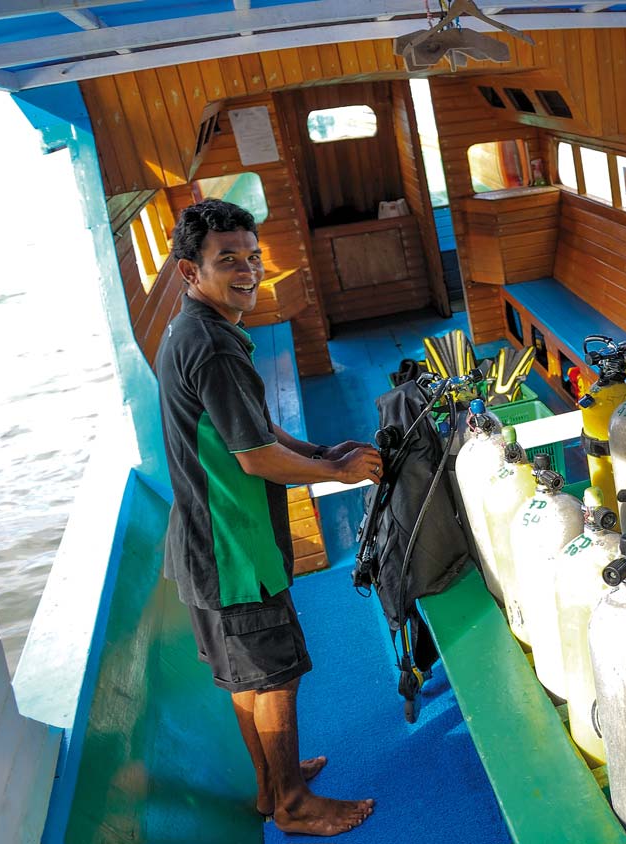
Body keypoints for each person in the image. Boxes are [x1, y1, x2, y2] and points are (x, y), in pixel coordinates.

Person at [156, 199, 381, 836]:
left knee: (245, 678)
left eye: (253, 257)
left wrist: (314, 450)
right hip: (235, 550)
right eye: (228, 261)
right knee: (275, 676)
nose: (249, 271)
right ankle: (293, 803)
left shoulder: (195, 328)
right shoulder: (215, 346)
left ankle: (268, 785)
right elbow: (255, 457)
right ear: (188, 271)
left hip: (202, 545)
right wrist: (338, 472)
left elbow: (250, 423)